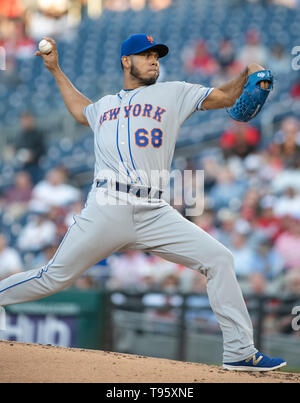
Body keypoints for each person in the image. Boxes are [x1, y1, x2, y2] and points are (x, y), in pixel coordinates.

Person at [0, 33, 285, 371]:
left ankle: (239, 351)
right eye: (145, 55)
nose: (153, 60)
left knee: (219, 258)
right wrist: (56, 69)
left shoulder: (174, 92)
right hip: (107, 205)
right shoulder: (103, 106)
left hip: (154, 211)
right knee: (53, 277)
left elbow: (224, 96)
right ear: (126, 61)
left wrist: (248, 72)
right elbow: (80, 110)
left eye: (156, 56)